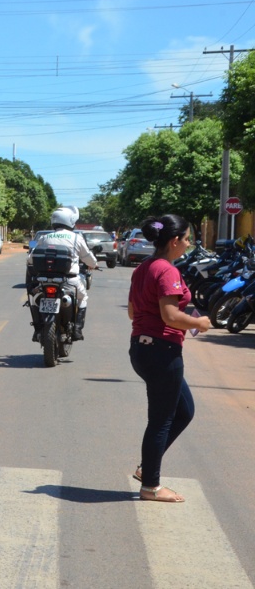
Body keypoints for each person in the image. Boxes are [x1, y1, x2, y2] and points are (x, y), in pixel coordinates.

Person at [128, 215, 211, 503]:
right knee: (161, 420)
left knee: (184, 411)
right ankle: (150, 486)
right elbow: (171, 316)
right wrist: (199, 323)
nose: (189, 244)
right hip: (161, 351)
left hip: (142, 348)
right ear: (174, 241)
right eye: (187, 239)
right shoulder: (166, 271)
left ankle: (147, 469)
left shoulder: (143, 268)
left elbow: (132, 312)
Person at [34, 206, 98, 340]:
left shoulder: (45, 238)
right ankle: (77, 330)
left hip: (45, 280)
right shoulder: (76, 238)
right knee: (83, 298)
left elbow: (31, 258)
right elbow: (87, 257)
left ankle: (38, 329)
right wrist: (94, 265)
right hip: (70, 281)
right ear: (71, 221)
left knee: (35, 300)